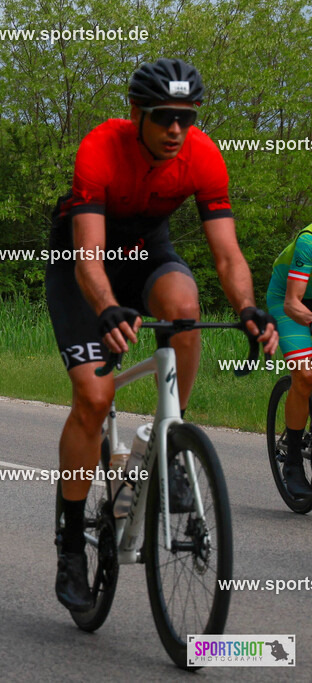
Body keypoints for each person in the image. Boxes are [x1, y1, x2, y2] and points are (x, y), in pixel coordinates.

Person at [45, 58, 278, 612]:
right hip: (84, 267)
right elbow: (88, 258)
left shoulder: (202, 156)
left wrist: (248, 307)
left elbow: (227, 255)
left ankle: (171, 438)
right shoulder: (100, 149)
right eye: (164, 116)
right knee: (94, 398)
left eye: (187, 117)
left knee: (184, 305)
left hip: (149, 253)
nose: (177, 129)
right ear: (136, 114)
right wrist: (107, 309)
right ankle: (71, 541)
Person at [266, 223, 312, 499]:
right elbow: (292, 303)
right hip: (289, 300)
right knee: (305, 376)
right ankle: (293, 461)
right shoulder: (309, 241)